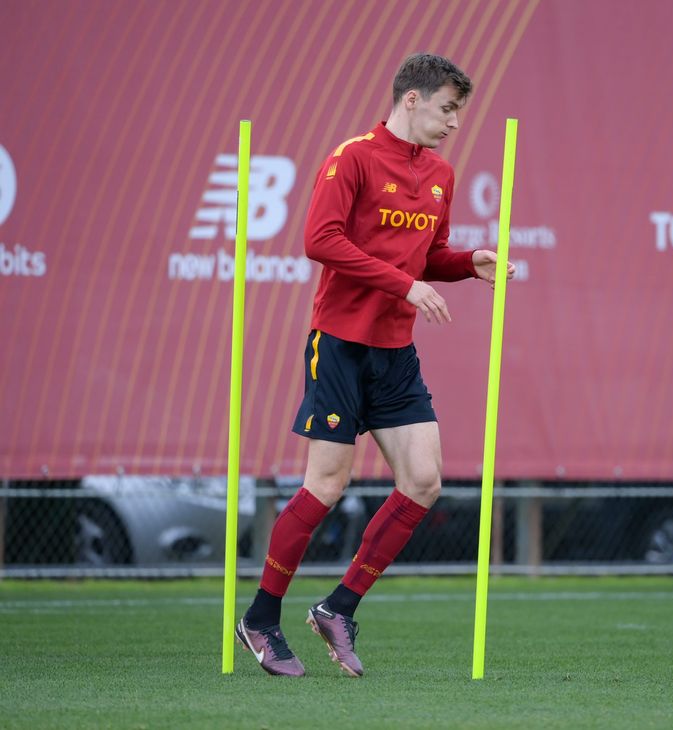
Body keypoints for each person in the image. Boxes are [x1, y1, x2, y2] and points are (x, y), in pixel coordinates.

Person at [236, 53, 514, 677]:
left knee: (423, 482)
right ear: (410, 99)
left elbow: (429, 254)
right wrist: (403, 284)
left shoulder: (440, 172)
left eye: (458, 114)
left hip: (396, 353)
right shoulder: (352, 156)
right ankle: (260, 617)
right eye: (447, 110)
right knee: (326, 486)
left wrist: (471, 262)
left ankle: (337, 607)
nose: (452, 124)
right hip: (338, 344)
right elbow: (320, 240)